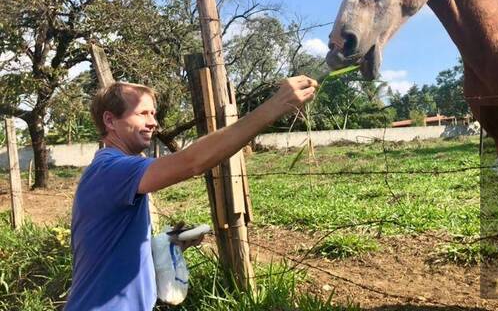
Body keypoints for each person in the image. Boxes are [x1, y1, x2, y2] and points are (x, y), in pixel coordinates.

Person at [64, 76, 318, 310]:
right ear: (110, 121)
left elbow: (111, 250)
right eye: (142, 113)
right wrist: (274, 106)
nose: (153, 122)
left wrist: (166, 246)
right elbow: (191, 162)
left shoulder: (110, 169)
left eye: (153, 113)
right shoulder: (112, 169)